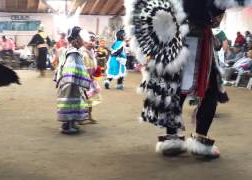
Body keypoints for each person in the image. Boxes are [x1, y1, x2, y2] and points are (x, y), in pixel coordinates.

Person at [125, 0, 251, 158]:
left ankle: (172, 137)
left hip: (171, 39)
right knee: (211, 89)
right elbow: (215, 7)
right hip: (195, 37)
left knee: (175, 88)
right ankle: (200, 139)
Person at [55, 26, 91, 134]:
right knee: (69, 101)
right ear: (75, 39)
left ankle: (72, 122)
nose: (82, 40)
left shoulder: (72, 51)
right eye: (80, 37)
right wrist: (79, 80)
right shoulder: (73, 52)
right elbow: (70, 69)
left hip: (73, 82)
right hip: (70, 83)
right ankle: (67, 125)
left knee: (74, 102)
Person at [81, 32, 102, 124]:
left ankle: (89, 116)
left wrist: (94, 73)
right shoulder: (82, 52)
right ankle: (80, 117)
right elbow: (81, 66)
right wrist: (87, 74)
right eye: (90, 41)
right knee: (83, 99)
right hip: (83, 79)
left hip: (91, 79)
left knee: (90, 99)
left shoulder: (92, 52)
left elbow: (94, 65)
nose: (92, 43)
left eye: (93, 41)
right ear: (84, 42)